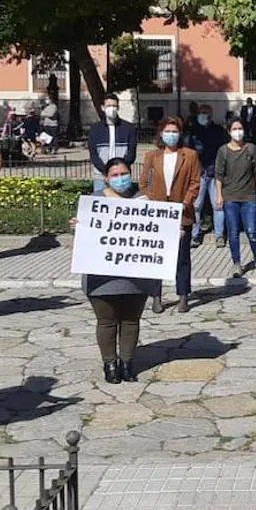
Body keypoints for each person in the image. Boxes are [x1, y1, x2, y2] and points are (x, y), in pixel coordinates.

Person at [75, 159, 160, 385]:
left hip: (136, 275)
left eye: (124, 173)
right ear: (106, 178)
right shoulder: (94, 202)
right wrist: (77, 225)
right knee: (107, 321)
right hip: (102, 277)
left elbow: (156, 232)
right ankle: (110, 363)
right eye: (115, 174)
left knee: (131, 320)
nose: (121, 178)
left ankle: (127, 363)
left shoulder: (143, 200)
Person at [140, 117, 201, 314]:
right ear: (161, 133)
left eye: (175, 131)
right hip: (158, 214)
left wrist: (186, 203)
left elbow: (195, 182)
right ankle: (156, 296)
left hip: (181, 211)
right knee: (156, 256)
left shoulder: (189, 155)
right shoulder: (152, 156)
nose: (171, 135)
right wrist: (153, 201)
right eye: (168, 131)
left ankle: (183, 296)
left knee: (182, 257)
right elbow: (143, 183)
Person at [215, 117, 256, 277]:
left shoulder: (251, 149)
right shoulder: (223, 151)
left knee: (252, 231)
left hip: (249, 197)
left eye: (240, 128)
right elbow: (219, 176)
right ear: (229, 131)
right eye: (235, 129)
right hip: (230, 197)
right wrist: (219, 195)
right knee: (233, 232)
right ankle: (236, 263)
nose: (238, 132)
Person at [185, 104, 228, 247]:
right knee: (196, 206)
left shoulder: (218, 131)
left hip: (215, 174)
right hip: (198, 174)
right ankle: (194, 235)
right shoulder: (193, 131)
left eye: (206, 113)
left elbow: (223, 152)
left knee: (218, 206)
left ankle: (219, 235)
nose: (203, 115)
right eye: (201, 112)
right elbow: (188, 152)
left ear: (211, 115)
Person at [88, 94, 138, 191]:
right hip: (101, 176)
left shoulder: (129, 128)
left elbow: (131, 154)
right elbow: (93, 154)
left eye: (114, 106)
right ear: (103, 108)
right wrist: (106, 171)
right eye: (109, 106)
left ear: (118, 107)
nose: (112, 109)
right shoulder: (95, 129)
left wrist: (118, 170)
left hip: (122, 176)